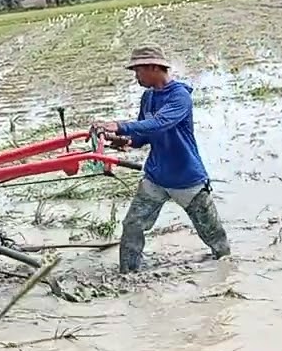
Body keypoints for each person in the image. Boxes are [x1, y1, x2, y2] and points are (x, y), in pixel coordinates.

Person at [93, 46, 231, 274]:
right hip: (156, 176)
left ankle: (227, 270)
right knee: (133, 225)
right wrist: (121, 140)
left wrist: (119, 124)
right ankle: (128, 274)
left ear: (154, 67)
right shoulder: (148, 97)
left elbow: (160, 123)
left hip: (187, 178)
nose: (136, 76)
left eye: (138, 70)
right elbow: (143, 135)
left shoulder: (180, 96)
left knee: (212, 233)